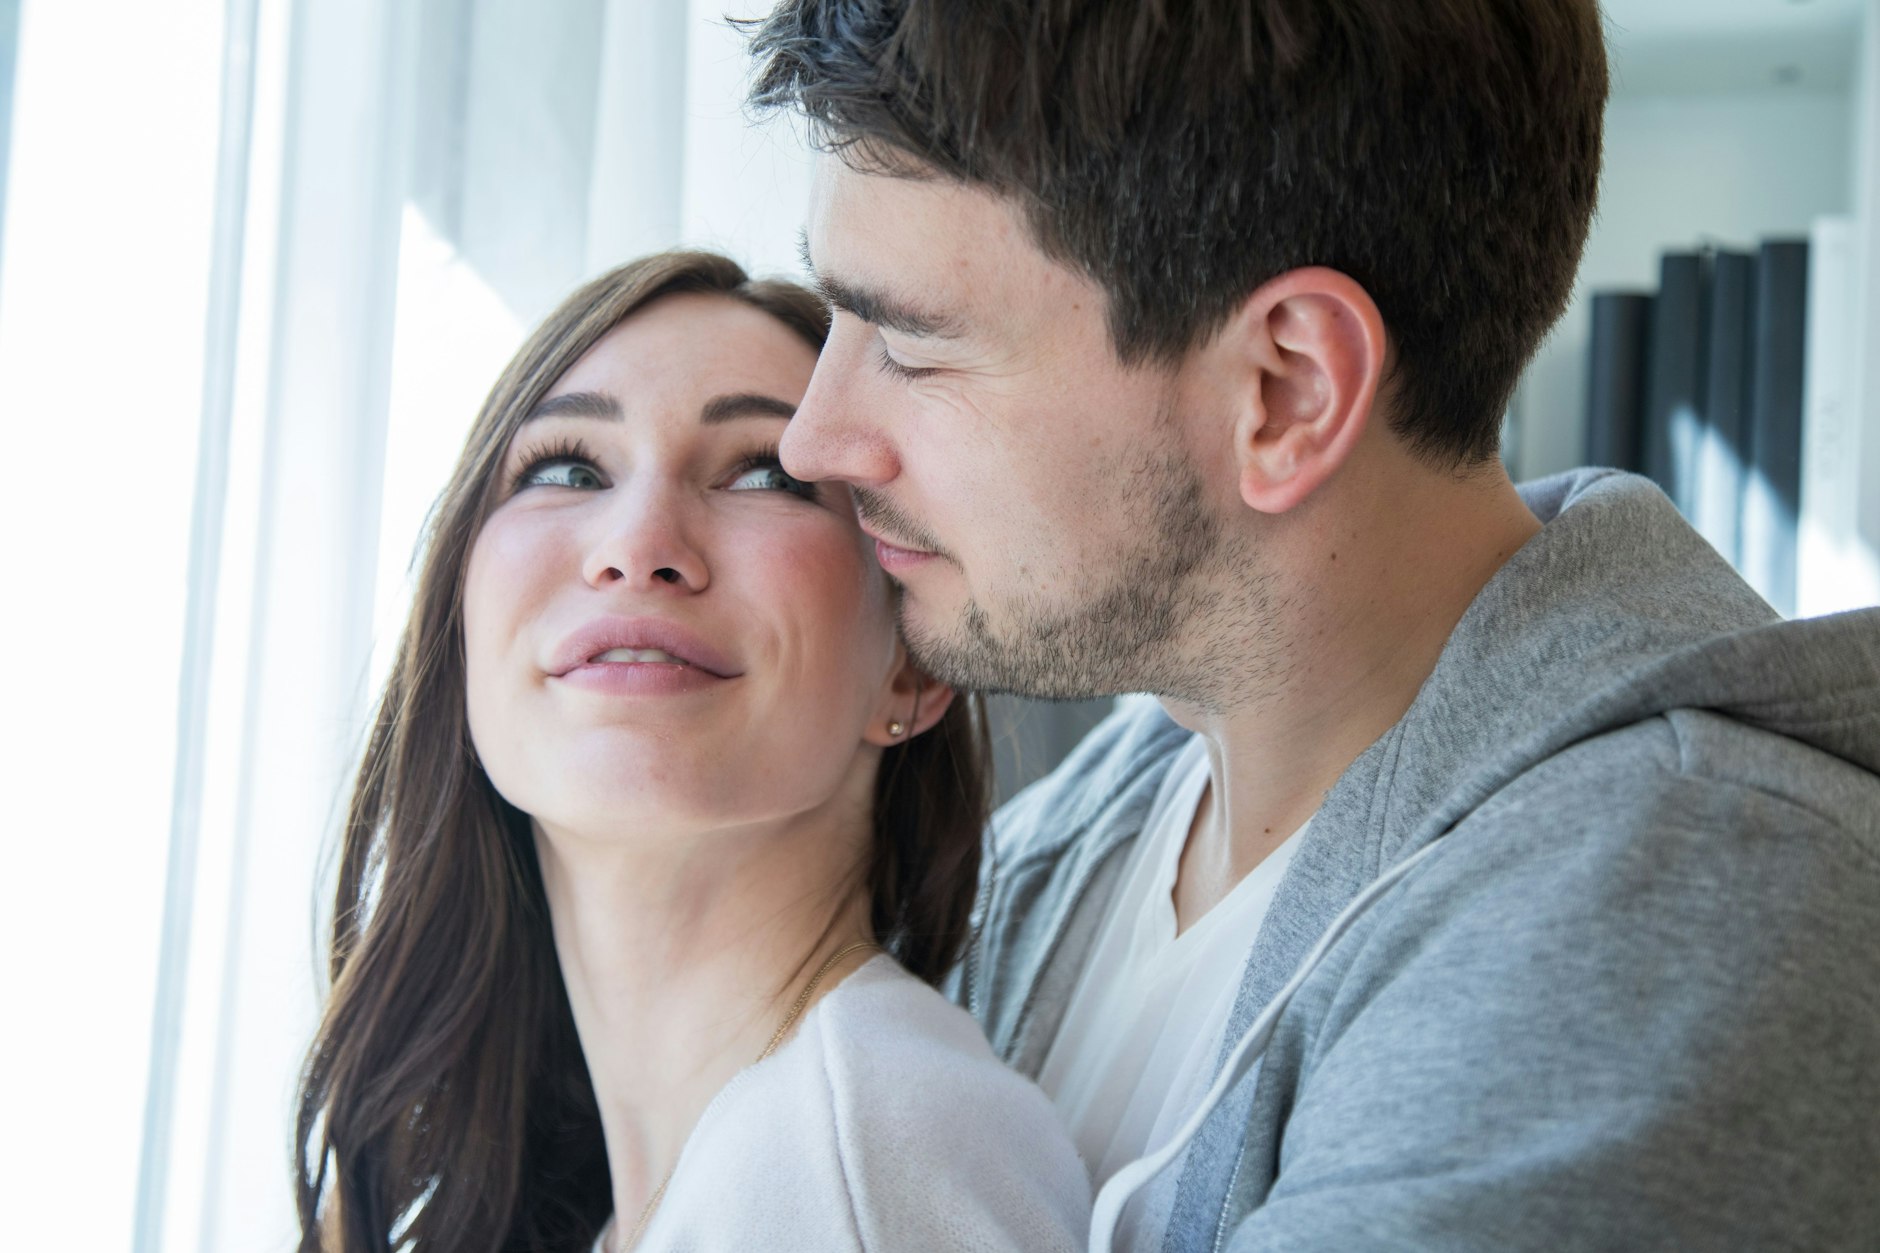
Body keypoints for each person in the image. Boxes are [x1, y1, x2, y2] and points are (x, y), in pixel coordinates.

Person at [745, 2, 1880, 1250]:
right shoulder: (1097, 819)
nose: (814, 438)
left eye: (907, 343)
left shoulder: (1669, 922)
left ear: (1287, 390)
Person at [292, 251, 1089, 1252]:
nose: (638, 541)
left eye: (763, 471)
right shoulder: (673, 1193)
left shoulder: (858, 1160)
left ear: (912, 667)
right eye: (568, 468)